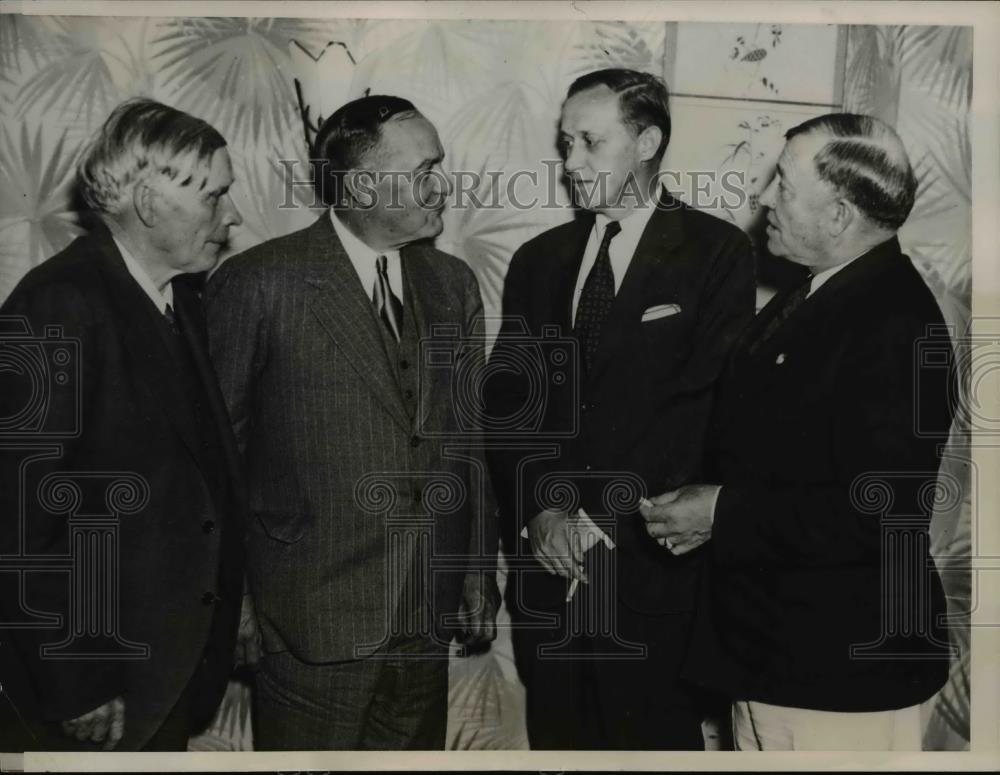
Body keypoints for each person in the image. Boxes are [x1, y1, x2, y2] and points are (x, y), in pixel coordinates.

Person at [640, 113, 955, 750]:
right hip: (780, 655)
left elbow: (880, 512)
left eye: (782, 185)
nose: (763, 199)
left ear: (839, 215)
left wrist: (720, 511)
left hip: (839, 674)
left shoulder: (895, 321)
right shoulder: (822, 294)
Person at [206, 95, 499, 750]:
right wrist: (233, 603)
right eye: (425, 170)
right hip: (309, 621)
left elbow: (466, 440)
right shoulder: (259, 282)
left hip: (426, 611)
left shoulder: (452, 283)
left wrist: (478, 570)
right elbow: (214, 461)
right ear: (364, 184)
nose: (441, 185)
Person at [484, 68, 755, 750]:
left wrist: (600, 515)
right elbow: (511, 404)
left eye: (589, 142)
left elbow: (705, 409)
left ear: (647, 141)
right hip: (549, 567)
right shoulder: (537, 260)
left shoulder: (717, 252)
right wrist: (543, 509)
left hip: (649, 565)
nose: (571, 163)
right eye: (566, 142)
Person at [0, 98, 247, 751]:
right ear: (149, 203)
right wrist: (76, 679)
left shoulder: (179, 295)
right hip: (99, 686)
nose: (233, 215)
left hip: (163, 669)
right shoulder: (58, 304)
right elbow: (20, 520)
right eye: (215, 196)